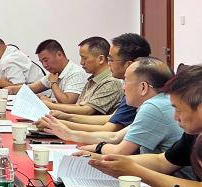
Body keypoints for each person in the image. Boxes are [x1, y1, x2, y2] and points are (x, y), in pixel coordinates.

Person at [45, 58, 189, 168]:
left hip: (170, 185)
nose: (123, 87)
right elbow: (114, 136)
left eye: (126, 82)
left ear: (143, 87)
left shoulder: (153, 107)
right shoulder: (160, 101)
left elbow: (119, 152)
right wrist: (70, 134)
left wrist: (95, 149)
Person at [89, 65, 202, 187]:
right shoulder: (193, 134)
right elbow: (162, 161)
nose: (175, 117)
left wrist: (136, 171)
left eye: (178, 110)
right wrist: (105, 160)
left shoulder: (154, 107)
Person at [42, 33, 151, 132]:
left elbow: (106, 126)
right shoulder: (96, 80)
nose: (109, 63)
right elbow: (111, 119)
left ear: (129, 65)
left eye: (111, 59)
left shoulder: (125, 87)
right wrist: (64, 117)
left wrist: (57, 118)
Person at [40, 36, 123, 116]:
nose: (81, 62)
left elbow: (87, 111)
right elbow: (78, 106)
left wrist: (51, 105)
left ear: (101, 59)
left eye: (84, 58)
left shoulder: (111, 82)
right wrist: (52, 103)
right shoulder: (93, 80)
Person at [5, 39, 87, 104]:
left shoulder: (76, 73)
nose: (44, 65)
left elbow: (67, 102)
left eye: (46, 60)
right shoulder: (54, 73)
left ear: (59, 55)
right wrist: (11, 90)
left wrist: (53, 83)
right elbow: (31, 88)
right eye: (41, 62)